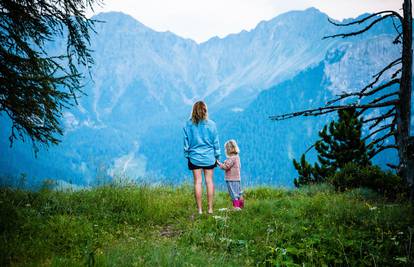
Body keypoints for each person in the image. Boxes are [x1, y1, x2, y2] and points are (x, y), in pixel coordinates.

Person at [183, 101, 220, 214]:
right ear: (205, 111)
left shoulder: (187, 125)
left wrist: (187, 155)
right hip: (209, 158)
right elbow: (216, 143)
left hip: (194, 158)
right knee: (209, 181)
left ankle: (199, 210)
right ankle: (210, 209)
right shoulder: (212, 125)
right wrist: (217, 156)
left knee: (197, 182)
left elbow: (186, 144)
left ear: (193, 111)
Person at [217, 140, 244, 210]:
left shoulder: (232, 158)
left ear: (228, 149)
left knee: (233, 194)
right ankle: (241, 206)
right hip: (237, 178)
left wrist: (218, 163)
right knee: (239, 193)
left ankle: (236, 208)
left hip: (231, 179)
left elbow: (226, 167)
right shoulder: (237, 157)